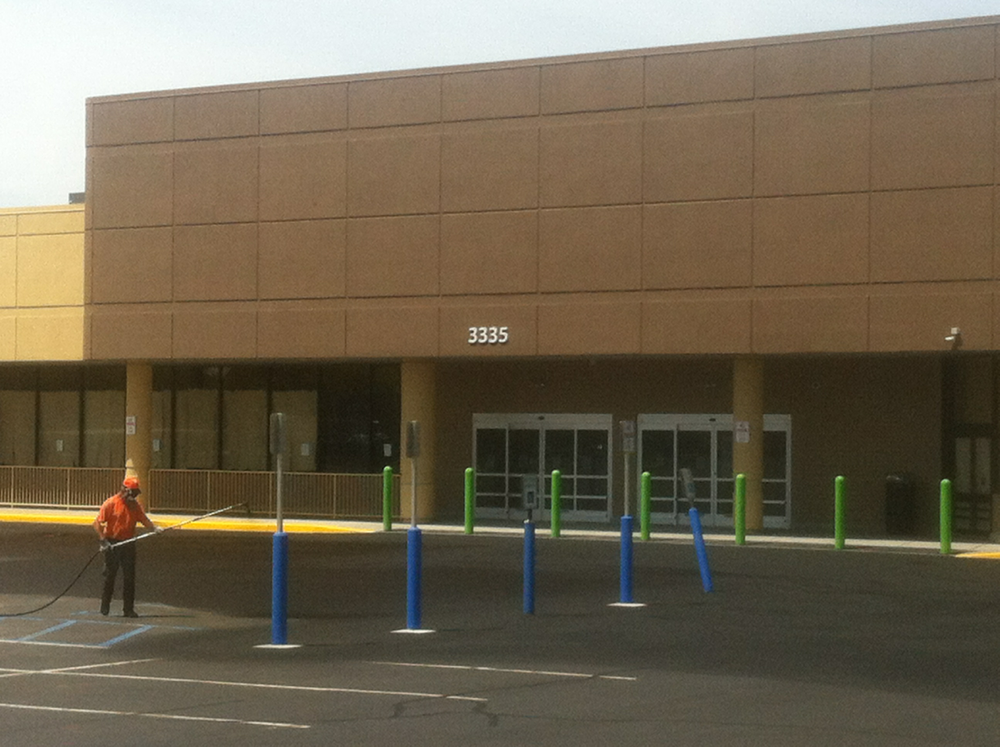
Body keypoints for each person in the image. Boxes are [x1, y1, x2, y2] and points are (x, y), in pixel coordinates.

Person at [93, 476, 162, 617]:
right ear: (124, 490)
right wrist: (103, 541)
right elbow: (97, 523)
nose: (134, 496)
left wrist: (154, 528)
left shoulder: (135, 506)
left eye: (136, 494)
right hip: (112, 543)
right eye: (132, 493)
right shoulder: (111, 503)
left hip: (128, 543)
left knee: (129, 577)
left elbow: (144, 520)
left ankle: (128, 609)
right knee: (110, 576)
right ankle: (105, 606)